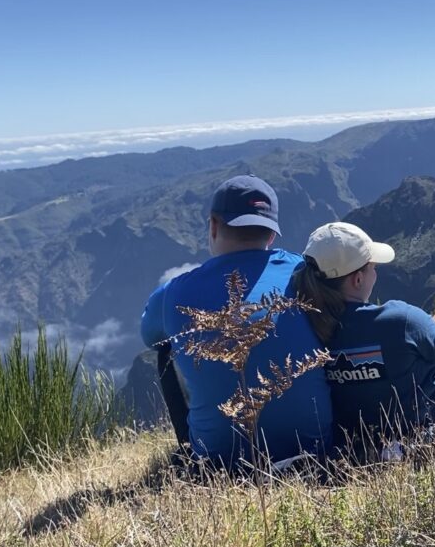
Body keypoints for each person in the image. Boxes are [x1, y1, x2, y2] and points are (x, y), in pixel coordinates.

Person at [140, 174, 333, 469]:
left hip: (222, 465)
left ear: (213, 225)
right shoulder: (305, 274)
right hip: (317, 454)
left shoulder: (173, 293)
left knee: (166, 349)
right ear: (271, 234)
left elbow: (149, 336)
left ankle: (194, 447)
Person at [292, 221, 435, 454]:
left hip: (371, 433)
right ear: (358, 279)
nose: (376, 272)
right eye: (372, 267)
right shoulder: (398, 321)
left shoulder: (308, 326)